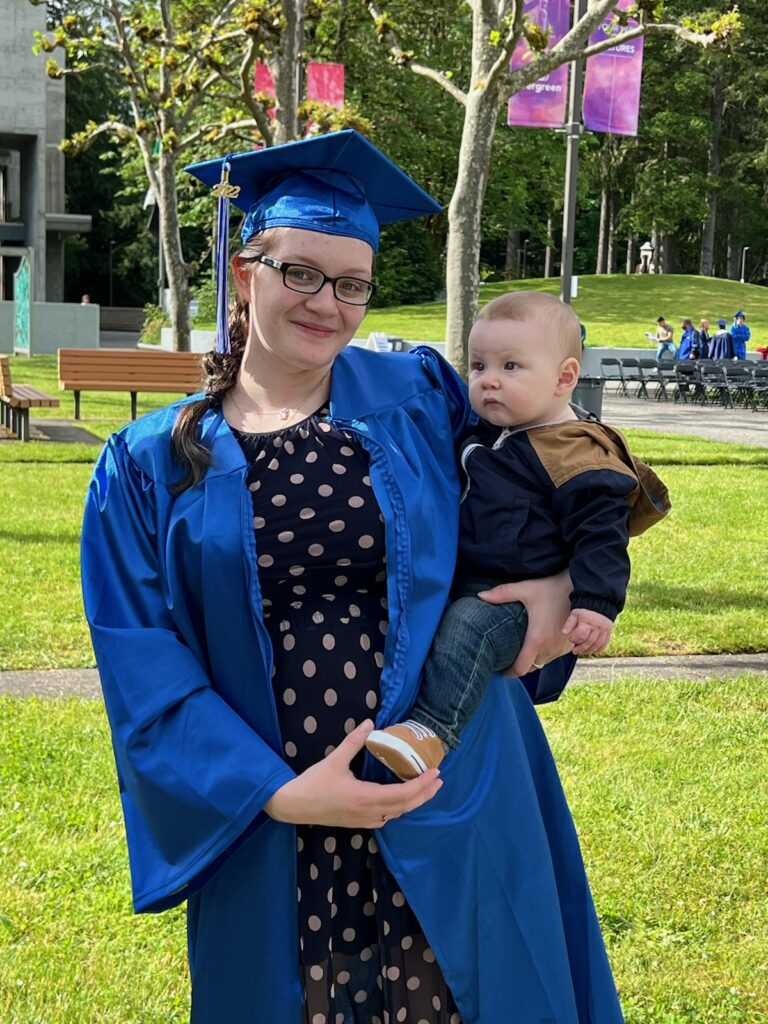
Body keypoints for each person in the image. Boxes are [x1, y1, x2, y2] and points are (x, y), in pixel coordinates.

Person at [81, 130, 626, 1024]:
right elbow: (141, 659)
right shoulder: (150, 462)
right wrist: (277, 792)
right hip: (276, 821)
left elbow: (570, 470)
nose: (326, 303)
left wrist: (561, 585)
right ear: (245, 271)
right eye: (300, 272)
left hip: (452, 786)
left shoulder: (422, 395)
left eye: (352, 283)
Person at [366, 293, 670, 779]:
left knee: (469, 628)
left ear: (564, 379)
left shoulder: (574, 454)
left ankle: (430, 732)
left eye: (510, 366)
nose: (489, 380)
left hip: (515, 600)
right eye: (479, 365)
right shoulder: (495, 431)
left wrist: (595, 603)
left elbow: (601, 535)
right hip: (474, 577)